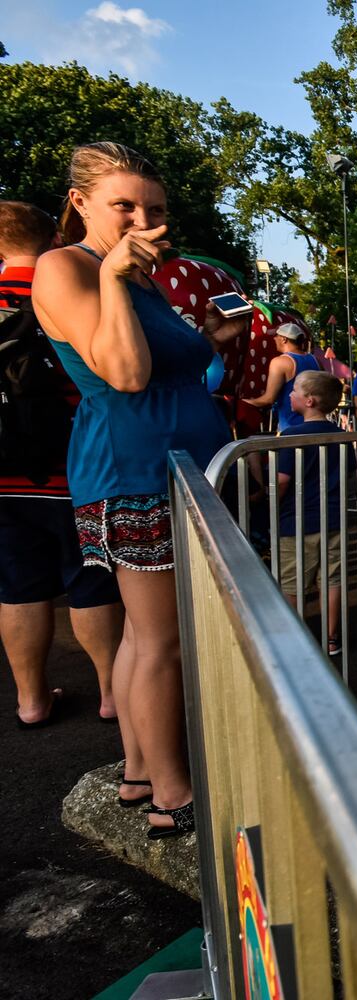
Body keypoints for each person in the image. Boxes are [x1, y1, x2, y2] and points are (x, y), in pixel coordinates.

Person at [33, 142, 240, 838]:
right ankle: (174, 799)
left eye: (153, 208)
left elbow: (171, 369)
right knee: (163, 641)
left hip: (179, 466)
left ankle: (139, 773)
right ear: (80, 202)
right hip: (136, 472)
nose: (142, 219)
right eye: (125, 205)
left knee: (145, 637)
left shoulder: (143, 278)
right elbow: (121, 373)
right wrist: (117, 279)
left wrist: (209, 336)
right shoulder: (65, 267)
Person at [0, 200, 124, 730]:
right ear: (54, 236)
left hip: (4, 472)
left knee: (18, 586)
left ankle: (31, 700)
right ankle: (111, 693)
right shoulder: (68, 285)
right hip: (75, 462)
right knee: (91, 581)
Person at [275, 370, 345, 656]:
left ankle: (295, 639)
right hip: (334, 517)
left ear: (310, 401)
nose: (290, 394)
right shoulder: (340, 435)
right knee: (332, 579)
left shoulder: (291, 436)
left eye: (295, 391)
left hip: (296, 521)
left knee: (292, 582)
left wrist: (269, 504)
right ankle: (331, 638)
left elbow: (282, 480)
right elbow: (349, 474)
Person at [247, 322, 320, 431]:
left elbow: (268, 399)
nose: (274, 339)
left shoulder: (280, 362)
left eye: (276, 336)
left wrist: (243, 403)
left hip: (291, 428)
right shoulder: (316, 360)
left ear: (284, 339)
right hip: (315, 426)